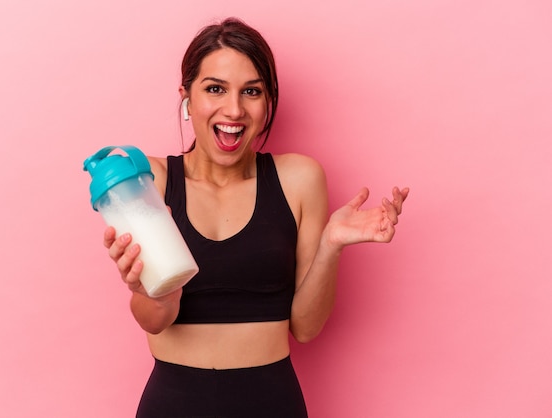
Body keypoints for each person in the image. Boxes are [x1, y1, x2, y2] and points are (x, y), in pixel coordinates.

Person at [103, 17, 409, 417]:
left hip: (271, 401)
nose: (234, 109)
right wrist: (146, 291)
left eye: (251, 91)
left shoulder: (299, 179)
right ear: (186, 98)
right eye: (215, 89)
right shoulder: (149, 182)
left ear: (268, 102)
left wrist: (331, 246)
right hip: (174, 403)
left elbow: (305, 327)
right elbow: (156, 320)